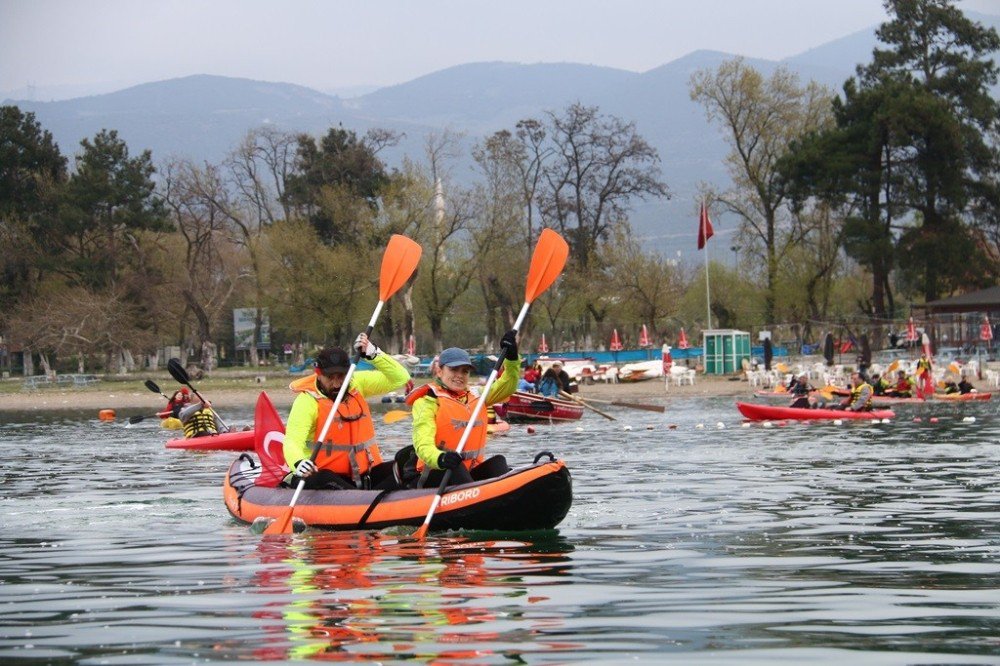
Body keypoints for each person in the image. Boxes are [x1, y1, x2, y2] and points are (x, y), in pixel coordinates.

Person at [282, 333, 410, 491]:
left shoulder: (357, 384)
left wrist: (373, 353)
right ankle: (367, 501)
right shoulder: (307, 401)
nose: (336, 384)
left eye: (341, 376)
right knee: (322, 478)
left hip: (363, 474)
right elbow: (292, 441)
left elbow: (400, 378)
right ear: (319, 374)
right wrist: (298, 462)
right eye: (330, 377)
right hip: (323, 476)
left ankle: (384, 500)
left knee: (407, 461)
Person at [399, 330, 520, 489]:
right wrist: (440, 458)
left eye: (465, 371)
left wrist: (511, 359)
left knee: (498, 462)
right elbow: (423, 445)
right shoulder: (427, 401)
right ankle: (477, 503)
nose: (459, 375)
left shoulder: (478, 395)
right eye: (454, 370)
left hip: (467, 472)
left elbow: (508, 385)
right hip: (435, 473)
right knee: (455, 464)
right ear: (440, 371)